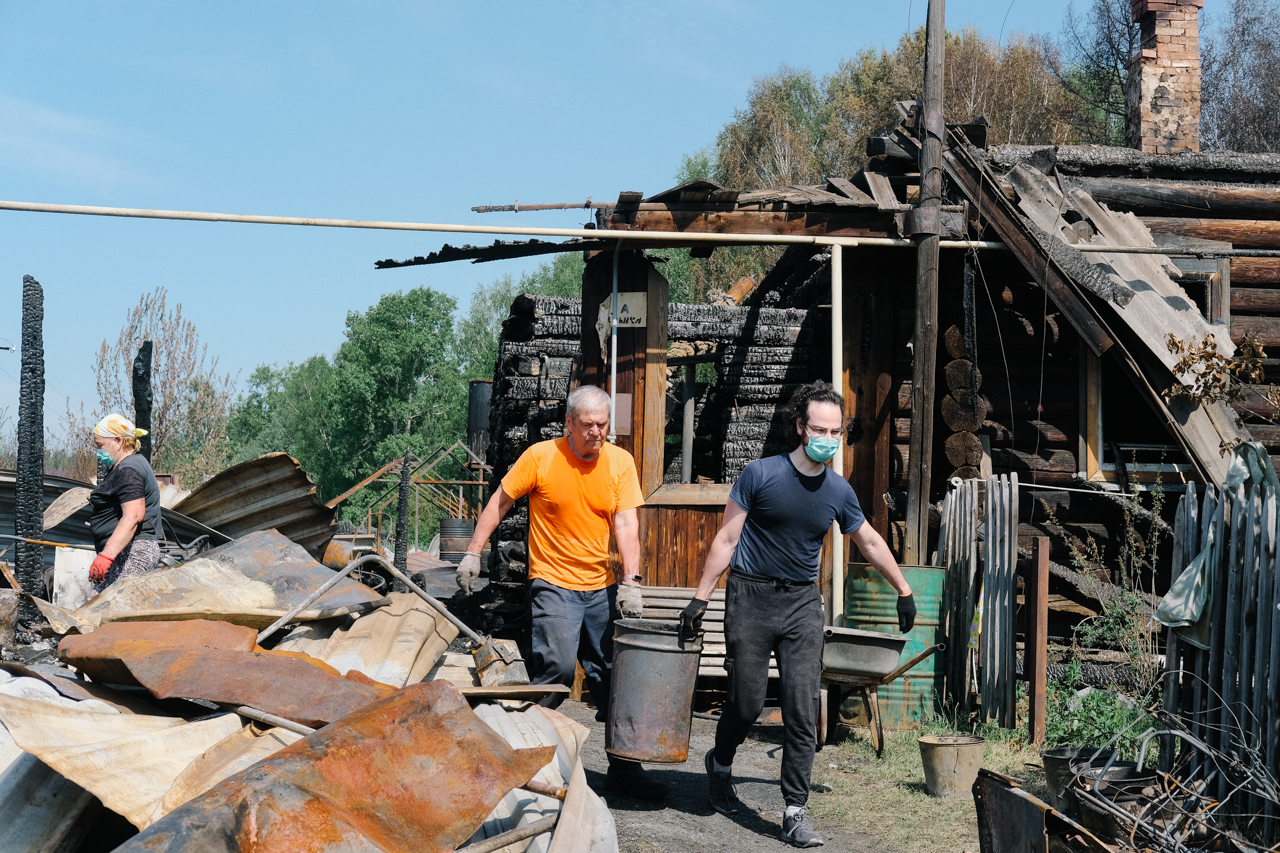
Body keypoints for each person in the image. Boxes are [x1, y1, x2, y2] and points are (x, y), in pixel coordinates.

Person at [679, 381, 916, 848]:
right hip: (750, 597)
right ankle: (721, 762)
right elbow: (727, 540)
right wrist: (701, 598)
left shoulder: (838, 490)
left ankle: (793, 810)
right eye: (819, 428)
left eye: (835, 430)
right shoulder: (760, 475)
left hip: (803, 603)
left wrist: (903, 589)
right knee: (746, 703)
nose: (828, 437)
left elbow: (867, 539)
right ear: (800, 427)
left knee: (803, 707)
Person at [456, 384, 665, 799]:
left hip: (600, 587)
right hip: (552, 582)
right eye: (587, 425)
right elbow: (500, 501)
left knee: (613, 675)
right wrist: (472, 553)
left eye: (602, 425)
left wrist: (632, 582)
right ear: (568, 423)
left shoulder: (620, 463)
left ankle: (624, 769)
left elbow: (626, 524)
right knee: (557, 672)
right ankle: (521, 759)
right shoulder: (541, 457)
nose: (596, 433)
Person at [87, 414, 162, 594]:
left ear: (118, 441)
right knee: (98, 610)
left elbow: (134, 515)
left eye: (100, 446)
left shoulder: (129, 469)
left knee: (105, 611)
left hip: (134, 552)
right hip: (126, 551)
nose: (98, 452)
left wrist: (106, 556)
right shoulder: (132, 464)